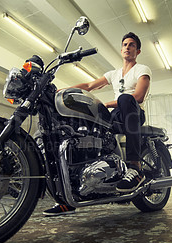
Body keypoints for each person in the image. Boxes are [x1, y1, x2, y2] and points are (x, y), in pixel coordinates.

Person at [43, 32, 151, 216]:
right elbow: (89, 85)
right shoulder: (114, 74)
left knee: (124, 98)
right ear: (121, 49)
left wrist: (108, 103)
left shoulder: (142, 69)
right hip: (117, 114)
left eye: (131, 45)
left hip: (133, 111)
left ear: (137, 51)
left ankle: (135, 167)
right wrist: (64, 90)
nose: (127, 47)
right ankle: (70, 196)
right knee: (84, 122)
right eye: (125, 44)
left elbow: (139, 96)